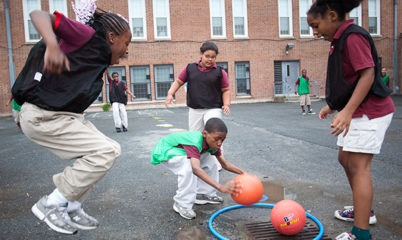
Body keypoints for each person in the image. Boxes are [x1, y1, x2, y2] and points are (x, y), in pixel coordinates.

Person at [11, 1, 131, 235]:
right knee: (105, 152)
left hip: (65, 117)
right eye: (126, 43)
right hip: (45, 117)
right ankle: (52, 203)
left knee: (109, 150)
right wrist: (53, 46)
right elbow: (39, 14)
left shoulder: (98, 59)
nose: (126, 50)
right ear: (111, 37)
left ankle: (72, 205)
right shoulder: (86, 35)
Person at [307, 1, 395, 240]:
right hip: (357, 110)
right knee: (345, 158)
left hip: (370, 111)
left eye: (316, 26)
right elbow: (349, 80)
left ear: (332, 15)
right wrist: (333, 106)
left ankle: (361, 232)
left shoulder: (352, 37)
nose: (315, 33)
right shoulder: (340, 38)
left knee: (359, 167)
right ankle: (363, 211)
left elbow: (367, 74)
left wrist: (346, 112)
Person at [165, 41, 229, 196]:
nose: (210, 59)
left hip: (213, 107)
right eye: (207, 56)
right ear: (201, 54)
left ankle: (217, 158)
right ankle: (196, 163)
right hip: (195, 109)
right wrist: (170, 93)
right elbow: (178, 82)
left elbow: (226, 90)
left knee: (213, 129)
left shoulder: (220, 72)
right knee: (195, 140)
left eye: (213, 57)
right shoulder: (190, 68)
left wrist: (226, 104)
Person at [151, 118, 244, 220]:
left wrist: (243, 173)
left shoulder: (211, 143)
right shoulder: (195, 142)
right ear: (205, 134)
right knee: (189, 166)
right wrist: (220, 187)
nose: (219, 143)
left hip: (181, 150)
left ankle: (203, 193)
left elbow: (224, 164)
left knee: (211, 160)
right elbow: (196, 169)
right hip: (165, 150)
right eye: (217, 139)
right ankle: (182, 203)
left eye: (222, 139)